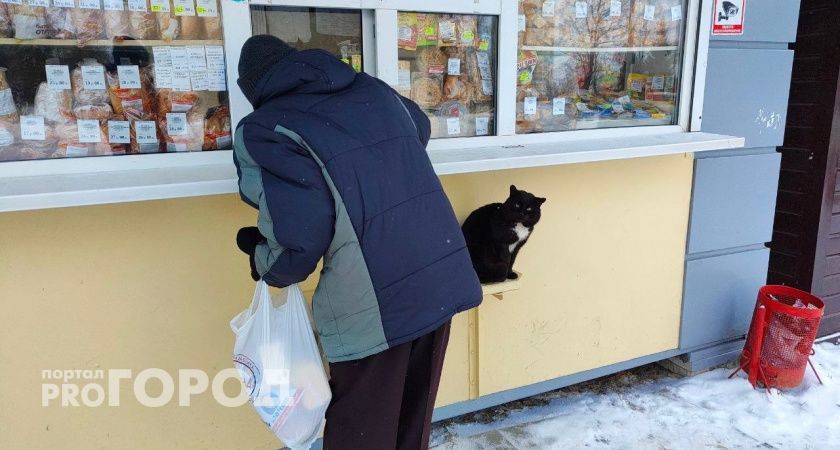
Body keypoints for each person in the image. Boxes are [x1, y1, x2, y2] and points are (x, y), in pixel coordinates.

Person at [232, 35, 483, 450]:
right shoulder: (370, 89)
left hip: (376, 301)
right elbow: (418, 126)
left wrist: (263, 258)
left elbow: (298, 240)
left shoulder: (268, 127)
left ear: (253, 88)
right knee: (409, 420)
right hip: (439, 272)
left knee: (361, 433)